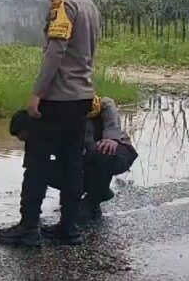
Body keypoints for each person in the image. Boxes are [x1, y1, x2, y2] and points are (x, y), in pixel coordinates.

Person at [0, 0, 101, 246]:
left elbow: (55, 52)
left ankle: (29, 227)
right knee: (71, 163)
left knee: (36, 163)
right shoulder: (90, 6)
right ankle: (69, 227)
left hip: (57, 98)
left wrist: (37, 93)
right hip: (82, 97)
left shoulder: (65, 4)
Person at [8, 94, 138, 222]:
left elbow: (106, 102)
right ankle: (95, 194)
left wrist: (111, 137)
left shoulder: (60, 116)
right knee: (44, 170)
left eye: (26, 137)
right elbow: (33, 173)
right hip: (84, 160)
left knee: (101, 153)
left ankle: (94, 198)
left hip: (114, 151)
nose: (27, 141)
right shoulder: (37, 141)